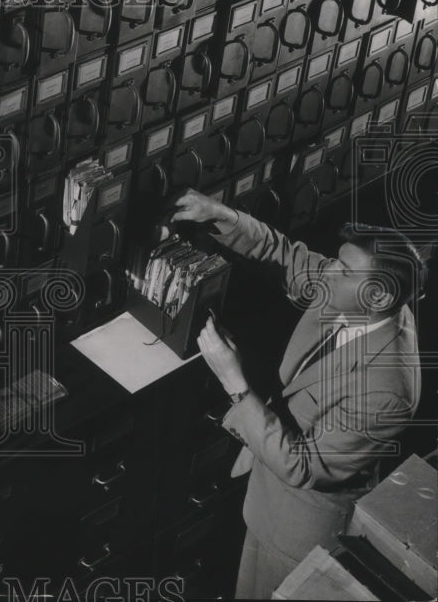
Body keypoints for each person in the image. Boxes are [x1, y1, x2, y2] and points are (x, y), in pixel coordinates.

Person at [171, 189, 425, 599]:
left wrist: (235, 384)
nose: (328, 273)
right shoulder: (366, 299)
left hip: (299, 533)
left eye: (343, 270)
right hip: (267, 499)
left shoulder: (388, 390)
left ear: (379, 296)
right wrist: (220, 214)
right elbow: (286, 255)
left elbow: (305, 466)